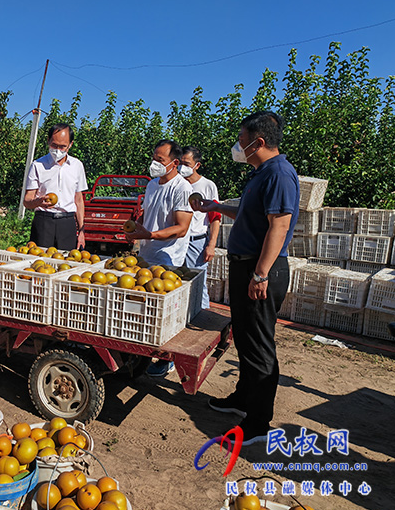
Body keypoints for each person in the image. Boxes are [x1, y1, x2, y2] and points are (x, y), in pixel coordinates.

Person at [196, 111, 299, 445]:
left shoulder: (280, 174)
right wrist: (213, 205)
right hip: (248, 267)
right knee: (245, 336)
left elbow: (279, 226)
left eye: (242, 139)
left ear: (259, 141)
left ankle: (257, 424)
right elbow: (246, 212)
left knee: (259, 345)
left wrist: (260, 273)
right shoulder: (261, 172)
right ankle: (243, 399)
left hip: (261, 269)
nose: (238, 145)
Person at [125, 139, 193, 377]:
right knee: (143, 310)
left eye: (160, 160)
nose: (154, 163)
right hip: (146, 254)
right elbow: (147, 215)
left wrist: (151, 234)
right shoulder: (153, 185)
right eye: (154, 158)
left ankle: (166, 360)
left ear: (174, 163)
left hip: (168, 259)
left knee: (163, 314)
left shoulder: (182, 188)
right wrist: (136, 233)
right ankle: (140, 357)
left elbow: (182, 228)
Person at [23, 123, 87, 250]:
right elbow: (27, 201)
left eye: (62, 147)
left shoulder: (76, 166)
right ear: (48, 141)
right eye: (54, 145)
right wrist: (38, 202)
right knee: (39, 263)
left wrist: (81, 231)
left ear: (70, 145)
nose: (58, 150)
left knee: (67, 264)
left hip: (67, 222)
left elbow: (79, 201)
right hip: (43, 222)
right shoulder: (38, 165)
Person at [180, 146, 221, 310]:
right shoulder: (177, 184)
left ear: (197, 165)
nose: (182, 167)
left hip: (195, 242)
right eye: (180, 163)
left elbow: (215, 218)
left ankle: (203, 314)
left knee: (197, 283)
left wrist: (211, 245)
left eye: (187, 163)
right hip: (176, 240)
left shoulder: (207, 186)